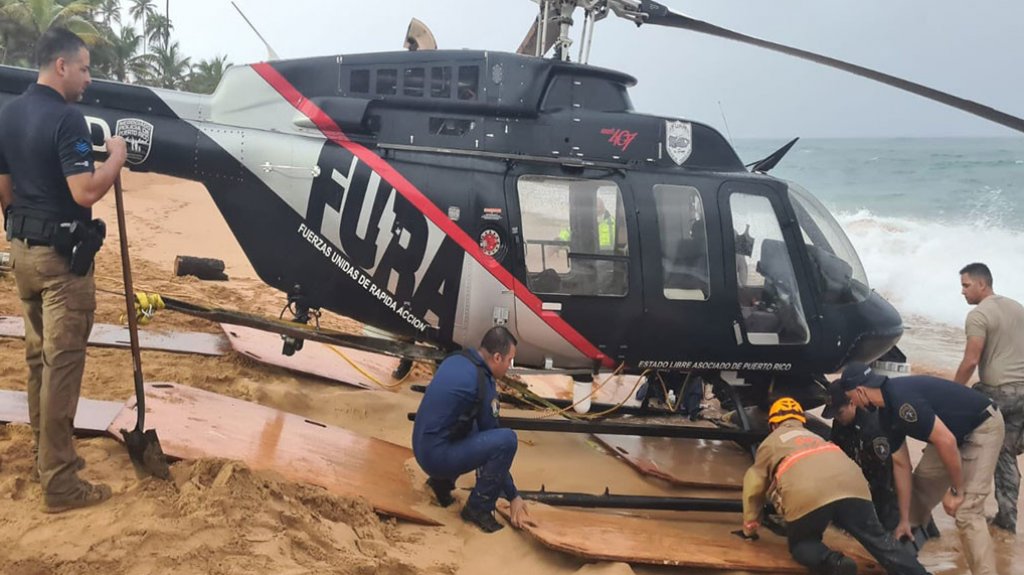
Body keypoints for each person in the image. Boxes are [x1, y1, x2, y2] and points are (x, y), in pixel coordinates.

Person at [0, 27, 126, 513]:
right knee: (62, 368)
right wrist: (115, 156)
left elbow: (5, 187)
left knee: (38, 361)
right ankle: (60, 484)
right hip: (60, 264)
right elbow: (85, 193)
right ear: (62, 66)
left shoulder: (8, 114)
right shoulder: (68, 120)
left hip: (23, 255)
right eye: (86, 68)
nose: (88, 79)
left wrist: (22, 227)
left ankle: (45, 459)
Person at [838, 362, 1003, 575]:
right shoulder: (885, 414)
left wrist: (956, 490)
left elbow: (947, 442)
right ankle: (903, 564)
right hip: (948, 433)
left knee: (967, 512)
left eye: (852, 399)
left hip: (982, 427)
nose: (855, 405)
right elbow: (901, 464)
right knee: (920, 490)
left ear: (860, 391)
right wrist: (906, 520)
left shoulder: (902, 399)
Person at [738, 397, 928, 575]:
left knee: (802, 544)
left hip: (809, 495)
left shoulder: (771, 442)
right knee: (879, 540)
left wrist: (750, 527)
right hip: (854, 486)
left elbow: (753, 485)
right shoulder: (815, 436)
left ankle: (835, 562)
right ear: (801, 421)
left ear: (773, 425)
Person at [411, 326, 532, 532]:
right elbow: (496, 442)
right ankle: (478, 508)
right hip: (435, 458)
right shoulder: (484, 384)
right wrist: (513, 496)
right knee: (507, 439)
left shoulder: (457, 359)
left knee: (471, 422)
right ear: (496, 357)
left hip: (420, 446)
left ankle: (440, 485)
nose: (509, 367)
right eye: (509, 360)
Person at [954, 262, 1024, 534]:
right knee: (1004, 453)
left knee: (962, 430)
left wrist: (953, 392)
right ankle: (1007, 520)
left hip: (999, 393)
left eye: (966, 285)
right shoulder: (1017, 307)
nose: (962, 292)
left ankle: (961, 500)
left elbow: (971, 360)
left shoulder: (979, 315)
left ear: (982, 284)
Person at [823, 381, 901, 532]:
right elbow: (836, 455)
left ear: (852, 403)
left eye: (839, 413)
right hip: (862, 479)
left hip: (888, 489)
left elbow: (886, 475)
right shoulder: (840, 423)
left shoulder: (874, 429)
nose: (837, 418)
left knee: (886, 531)